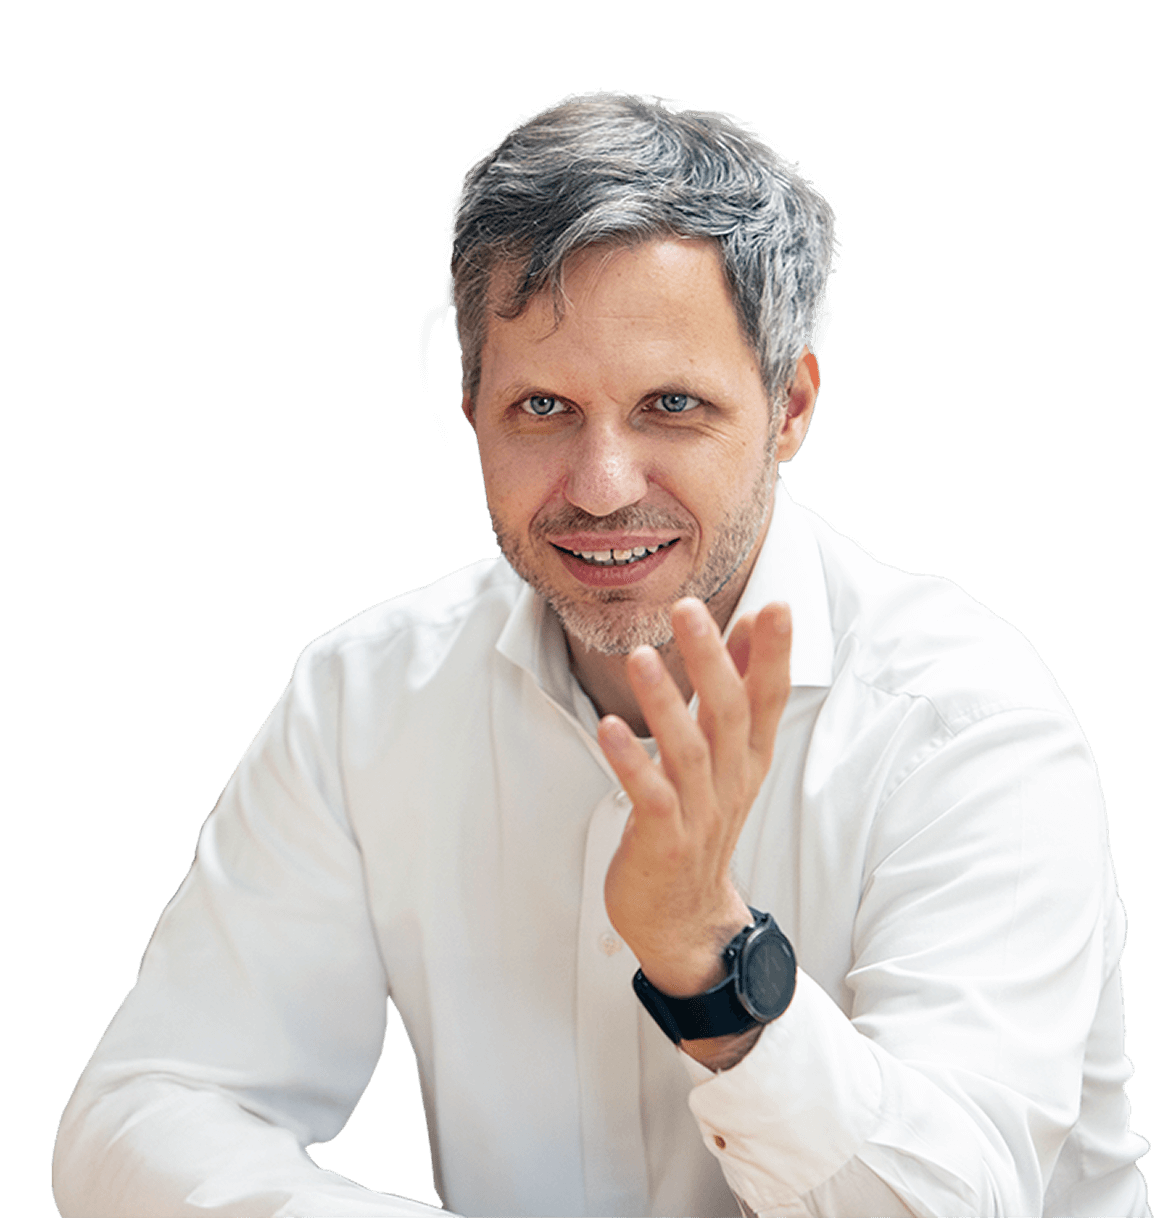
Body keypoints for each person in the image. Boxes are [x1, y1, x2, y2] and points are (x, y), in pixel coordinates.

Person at [52, 91, 1151, 1217]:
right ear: (469, 404)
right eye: (543, 406)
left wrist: (709, 955)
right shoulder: (365, 695)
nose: (601, 486)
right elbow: (141, 1117)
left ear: (789, 406)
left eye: (671, 403)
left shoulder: (964, 720)